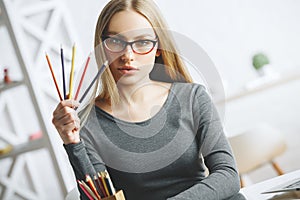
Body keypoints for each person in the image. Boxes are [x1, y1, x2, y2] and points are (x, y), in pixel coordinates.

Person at [52, 0, 244, 199]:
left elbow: (228, 176)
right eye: (116, 42)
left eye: (142, 42)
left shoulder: (193, 97)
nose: (128, 56)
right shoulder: (85, 124)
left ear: (158, 47)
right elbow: (101, 198)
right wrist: (73, 144)